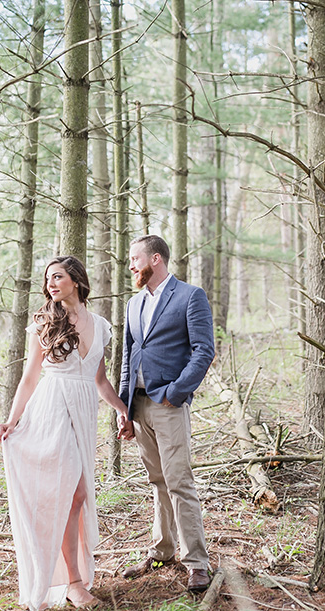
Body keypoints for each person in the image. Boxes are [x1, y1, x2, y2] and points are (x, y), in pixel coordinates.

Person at [0, 255, 130, 611]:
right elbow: (29, 378)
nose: (51, 284)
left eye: (58, 277)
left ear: (77, 280)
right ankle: (71, 582)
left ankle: (71, 578)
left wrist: (121, 408)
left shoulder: (99, 325)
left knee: (78, 497)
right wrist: (11, 420)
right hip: (51, 409)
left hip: (83, 411)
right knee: (74, 492)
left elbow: (99, 380)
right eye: (48, 279)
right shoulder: (44, 323)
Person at [118, 235, 216, 593]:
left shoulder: (191, 296)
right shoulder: (133, 304)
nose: (130, 265)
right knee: (157, 482)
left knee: (179, 482)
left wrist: (177, 393)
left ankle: (197, 563)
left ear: (155, 259)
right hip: (138, 406)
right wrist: (123, 407)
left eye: (135, 258)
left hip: (169, 405)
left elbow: (204, 351)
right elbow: (129, 356)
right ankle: (162, 550)